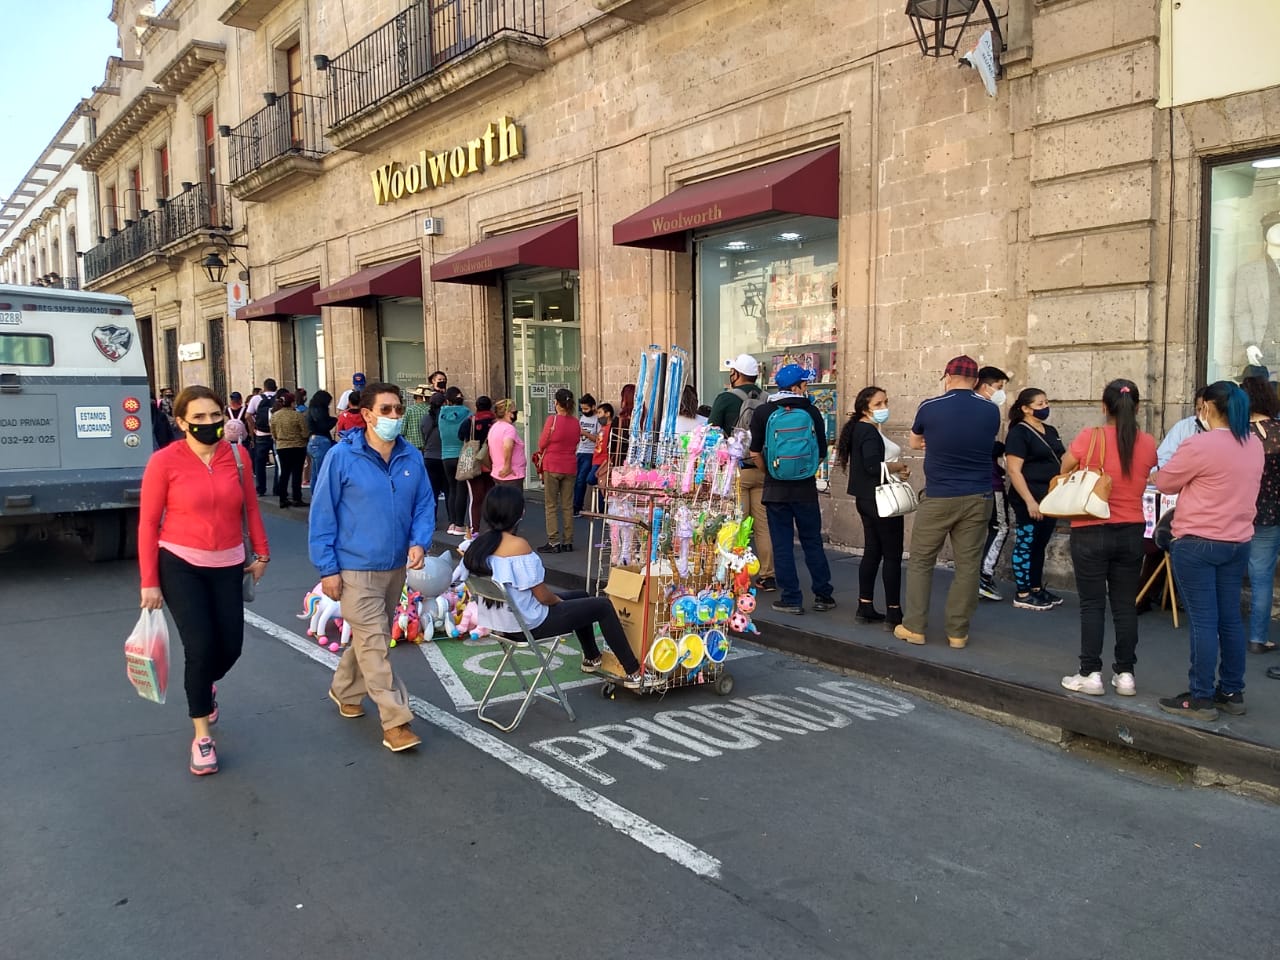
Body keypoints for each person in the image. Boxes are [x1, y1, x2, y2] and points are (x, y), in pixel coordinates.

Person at [138, 385, 269, 775]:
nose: (209, 423)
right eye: (198, 418)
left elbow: (250, 508)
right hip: (179, 562)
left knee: (230, 646)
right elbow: (147, 524)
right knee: (199, 646)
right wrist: (149, 581)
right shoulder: (164, 462)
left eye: (215, 416)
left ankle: (205, 684)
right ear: (181, 422)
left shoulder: (238, 456)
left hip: (229, 562)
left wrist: (261, 553)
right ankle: (201, 736)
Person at [308, 382, 434, 752]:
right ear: (366, 415)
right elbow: (323, 514)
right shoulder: (341, 457)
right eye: (386, 410)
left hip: (394, 567)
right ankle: (396, 721)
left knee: (369, 638)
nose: (394, 416)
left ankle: (344, 689)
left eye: (398, 409)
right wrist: (327, 568)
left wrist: (419, 541)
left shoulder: (411, 457)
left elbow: (425, 504)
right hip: (354, 569)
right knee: (376, 641)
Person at [1151, 381, 1264, 719]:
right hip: (1237, 541)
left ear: (1207, 407)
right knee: (1229, 619)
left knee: (1204, 621)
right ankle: (1232, 691)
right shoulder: (1253, 444)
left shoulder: (1200, 443)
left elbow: (1165, 482)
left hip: (1198, 541)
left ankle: (1200, 697)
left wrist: (1158, 471)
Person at [459, 485, 644, 686]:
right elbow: (544, 597)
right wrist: (556, 601)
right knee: (603, 606)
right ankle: (633, 671)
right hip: (530, 625)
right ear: (520, 513)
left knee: (581, 595)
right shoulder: (518, 545)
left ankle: (592, 657)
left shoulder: (478, 545)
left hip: (503, 624)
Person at [1058, 380, 1159, 698]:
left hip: (1090, 527)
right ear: (1138, 407)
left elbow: (1065, 466)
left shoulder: (1091, 437)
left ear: (1104, 407)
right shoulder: (1147, 442)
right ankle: (1126, 673)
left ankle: (1090, 673)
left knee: (1092, 604)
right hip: (1131, 530)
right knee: (1125, 605)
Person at [894, 355, 999, 648]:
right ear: (976, 381)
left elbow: (916, 441)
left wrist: (935, 439)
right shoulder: (991, 411)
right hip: (979, 496)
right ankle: (957, 633)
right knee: (967, 566)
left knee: (921, 562)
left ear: (948, 377)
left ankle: (914, 627)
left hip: (940, 495)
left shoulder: (930, 407)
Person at [748, 363, 834, 615]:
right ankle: (823, 594)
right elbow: (820, 450)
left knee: (782, 544)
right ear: (797, 386)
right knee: (812, 541)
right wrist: (804, 470)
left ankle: (791, 598)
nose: (806, 387)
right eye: (805, 383)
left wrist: (770, 472)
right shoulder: (812, 411)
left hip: (775, 490)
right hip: (805, 488)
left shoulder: (764, 411)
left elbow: (755, 451)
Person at [836, 385, 909, 626]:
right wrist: (898, 467)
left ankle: (865, 604)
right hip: (881, 499)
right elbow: (872, 466)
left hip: (865, 498)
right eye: (878, 404)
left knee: (873, 551)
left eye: (885, 402)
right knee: (891, 555)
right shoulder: (868, 431)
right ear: (865, 408)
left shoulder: (859, 428)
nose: (884, 408)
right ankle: (894, 610)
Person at [709, 354, 774, 591]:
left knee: (734, 525)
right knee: (762, 526)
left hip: (735, 472)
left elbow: (712, 432)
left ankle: (732, 574)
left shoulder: (725, 398)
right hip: (762, 468)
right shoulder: (769, 399)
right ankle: (768, 574)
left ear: (735, 374)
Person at [1003, 388, 1066, 612]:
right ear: (1026, 408)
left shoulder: (1050, 430)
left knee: (1040, 543)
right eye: (1040, 404)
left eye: (1046, 402)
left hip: (1049, 497)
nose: (1045, 407)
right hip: (1029, 497)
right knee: (1026, 542)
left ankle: (1037, 587)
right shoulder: (1019, 433)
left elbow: (1062, 457)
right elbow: (1014, 470)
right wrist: (1030, 501)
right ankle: (1023, 592)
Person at [1242, 372, 1280, 655]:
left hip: (1244, 512)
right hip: (1274, 510)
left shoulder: (1238, 436)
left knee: (1255, 577)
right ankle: (1258, 637)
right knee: (1264, 579)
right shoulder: (1278, 431)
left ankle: (1254, 637)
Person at [975, 366, 1011, 602]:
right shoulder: (985, 409)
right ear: (986, 386)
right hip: (989, 480)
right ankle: (983, 577)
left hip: (977, 480)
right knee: (1000, 527)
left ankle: (976, 577)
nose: (1000, 393)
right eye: (998, 387)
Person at [536, 388, 580, 553]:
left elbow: (542, 443)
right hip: (570, 465)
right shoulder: (576, 422)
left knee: (551, 505)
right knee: (568, 505)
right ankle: (568, 540)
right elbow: (576, 441)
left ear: (556, 403)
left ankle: (553, 541)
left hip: (552, 464)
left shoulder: (552, 420)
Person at [462, 396, 497, 536]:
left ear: (476, 406)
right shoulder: (495, 422)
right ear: (491, 406)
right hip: (491, 462)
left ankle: (475, 529)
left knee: (476, 498)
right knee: (490, 495)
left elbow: (461, 435)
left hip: (474, 461)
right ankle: (493, 527)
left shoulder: (471, 421)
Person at [439, 386, 472, 536]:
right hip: (462, 454)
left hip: (446, 455)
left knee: (451, 489)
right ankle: (459, 524)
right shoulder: (467, 414)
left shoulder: (441, 414)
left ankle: (452, 522)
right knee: (462, 490)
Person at [270, 390, 308, 508]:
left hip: (282, 446)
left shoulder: (275, 416)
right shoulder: (297, 415)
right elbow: (305, 432)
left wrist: (280, 439)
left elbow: (273, 433)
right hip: (298, 446)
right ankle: (297, 498)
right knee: (297, 473)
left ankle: (283, 498)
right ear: (292, 403)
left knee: (284, 473)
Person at [1156, 386, 1207, 468]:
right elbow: (1164, 457)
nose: (1202, 415)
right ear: (1195, 408)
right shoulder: (1183, 427)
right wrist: (1158, 471)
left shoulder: (1221, 432)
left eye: (1205, 410)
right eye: (1199, 409)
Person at [246, 377, 278, 496]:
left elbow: (248, 415)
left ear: (264, 388)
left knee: (260, 463)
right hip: (276, 436)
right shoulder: (279, 397)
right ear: (275, 386)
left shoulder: (256, 398)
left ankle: (261, 489)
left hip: (261, 434)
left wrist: (254, 428)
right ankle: (277, 488)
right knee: (278, 463)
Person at [572, 393, 600, 518]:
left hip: (590, 453)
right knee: (576, 480)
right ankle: (576, 505)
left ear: (593, 407)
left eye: (586, 409)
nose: (584, 411)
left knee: (581, 479)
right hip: (580, 451)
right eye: (582, 409)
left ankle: (577, 507)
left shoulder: (597, 420)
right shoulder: (582, 418)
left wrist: (584, 433)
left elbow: (598, 439)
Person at [490, 398, 527, 488]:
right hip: (511, 475)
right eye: (514, 411)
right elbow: (507, 446)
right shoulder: (509, 429)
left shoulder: (494, 427)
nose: (515, 414)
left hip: (497, 472)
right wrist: (507, 466)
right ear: (508, 413)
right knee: (513, 501)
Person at [587, 402, 618, 495]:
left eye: (600, 412)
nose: (598, 416)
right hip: (596, 460)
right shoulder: (602, 428)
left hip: (602, 461)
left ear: (607, 414)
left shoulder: (611, 428)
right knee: (600, 487)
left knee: (591, 479)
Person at [306, 390, 337, 479]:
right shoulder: (319, 410)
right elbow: (323, 426)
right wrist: (335, 420)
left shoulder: (311, 409)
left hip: (312, 440)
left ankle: (315, 492)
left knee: (315, 473)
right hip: (321, 440)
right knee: (322, 472)